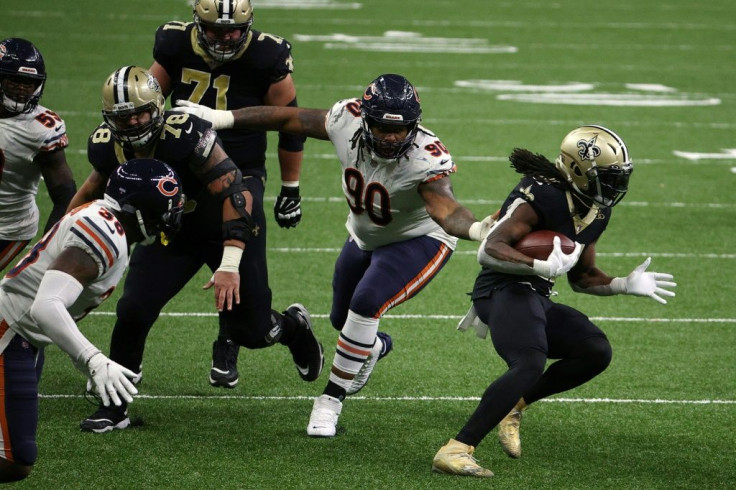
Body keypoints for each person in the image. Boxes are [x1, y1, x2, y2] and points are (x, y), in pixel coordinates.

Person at [175, 73, 497, 437]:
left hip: (419, 238)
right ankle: (372, 347)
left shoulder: (426, 157)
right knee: (342, 320)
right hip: (363, 235)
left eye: (401, 129)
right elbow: (288, 119)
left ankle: (330, 401)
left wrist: (474, 229)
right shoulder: (346, 119)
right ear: (365, 119)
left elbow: (446, 209)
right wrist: (224, 119)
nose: (392, 137)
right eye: (381, 127)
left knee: (366, 303)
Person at [70, 66, 323, 433]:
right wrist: (61, 235)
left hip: (222, 223)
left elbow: (235, 191)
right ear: (110, 118)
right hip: (171, 233)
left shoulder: (185, 133)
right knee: (133, 309)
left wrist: (230, 261)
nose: (137, 122)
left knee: (252, 331)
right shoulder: (106, 143)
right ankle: (116, 405)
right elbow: (92, 190)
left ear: (158, 107)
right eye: (125, 117)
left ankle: (293, 328)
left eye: (142, 112)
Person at [431, 125, 677, 478]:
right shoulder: (543, 194)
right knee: (529, 363)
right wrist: (537, 264)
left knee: (594, 350)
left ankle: (513, 405)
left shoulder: (597, 209)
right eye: (606, 177)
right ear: (577, 171)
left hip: (535, 295)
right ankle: (457, 448)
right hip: (501, 290)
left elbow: (583, 278)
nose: (615, 186)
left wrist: (623, 283)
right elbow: (490, 250)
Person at [149, 0, 306, 388]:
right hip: (184, 168)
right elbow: (149, 104)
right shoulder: (173, 43)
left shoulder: (268, 54)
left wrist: (291, 186)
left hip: (243, 168)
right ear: (197, 23)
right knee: (152, 272)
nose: (225, 37)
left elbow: (291, 122)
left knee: (237, 261)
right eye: (215, 30)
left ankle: (233, 336)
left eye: (233, 30)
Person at [0, 158, 184, 482]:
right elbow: (46, 306)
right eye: (161, 209)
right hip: (11, 331)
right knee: (16, 460)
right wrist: (94, 360)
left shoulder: (106, 219)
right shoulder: (103, 233)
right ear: (136, 209)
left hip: (25, 335)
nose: (167, 218)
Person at [0, 38, 76, 271]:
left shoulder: (41, 129)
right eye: (15, 81)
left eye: (29, 83)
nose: (23, 89)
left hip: (7, 226)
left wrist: (47, 250)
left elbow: (65, 195)